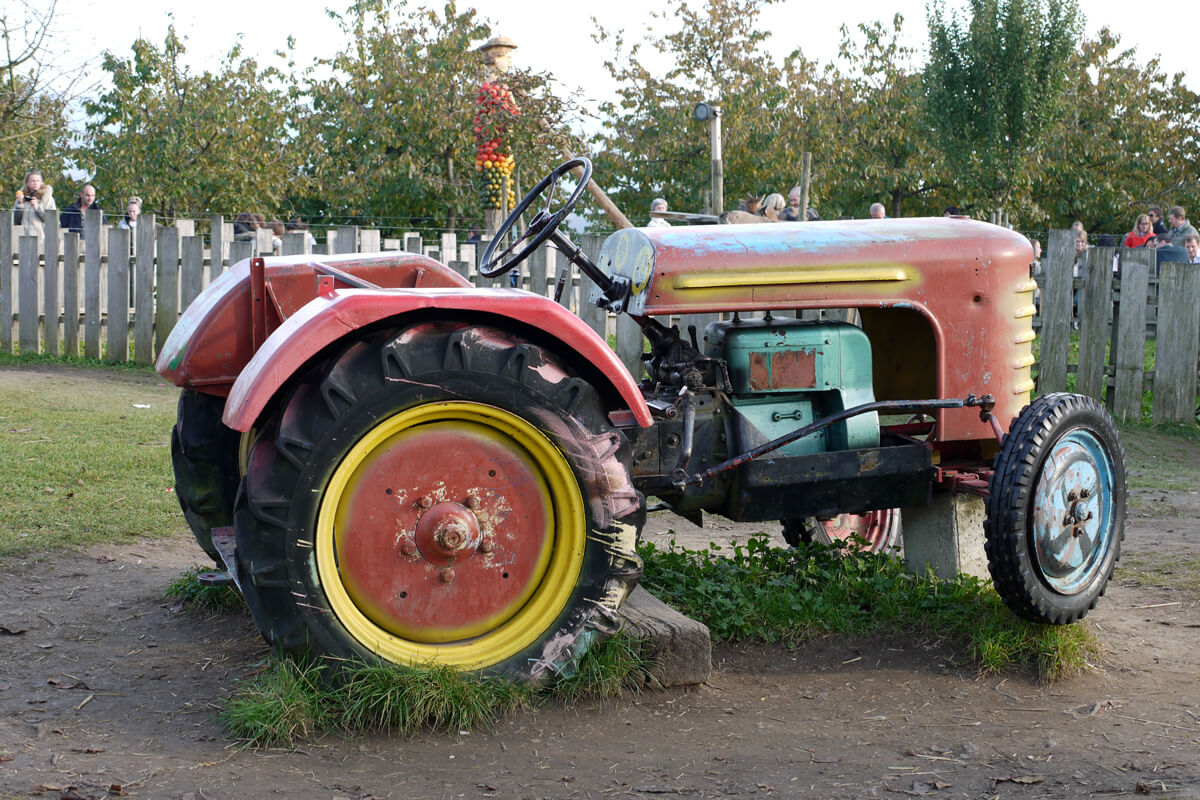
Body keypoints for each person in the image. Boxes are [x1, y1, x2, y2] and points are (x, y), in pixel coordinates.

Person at [13, 169, 56, 249]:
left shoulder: (47, 198)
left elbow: (51, 220)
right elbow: (15, 221)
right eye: (33, 181)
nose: (36, 183)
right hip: (23, 238)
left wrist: (38, 208)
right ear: (27, 183)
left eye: (38, 181)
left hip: (41, 239)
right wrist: (20, 204)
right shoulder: (21, 196)